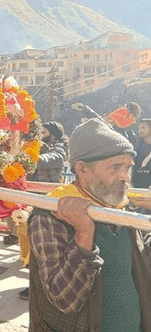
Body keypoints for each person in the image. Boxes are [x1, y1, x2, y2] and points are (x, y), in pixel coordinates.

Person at [28, 118, 151, 331]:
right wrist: (84, 234)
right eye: (115, 167)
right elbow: (64, 299)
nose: (125, 176)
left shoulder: (120, 206)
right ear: (82, 169)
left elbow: (142, 258)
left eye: (128, 167)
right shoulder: (49, 216)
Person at [18, 121, 68, 301]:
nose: (41, 134)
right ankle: (35, 285)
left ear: (53, 134)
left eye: (44, 131)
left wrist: (31, 155)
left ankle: (39, 287)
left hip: (50, 203)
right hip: (36, 201)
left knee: (44, 247)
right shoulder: (37, 145)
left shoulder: (59, 148)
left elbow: (49, 160)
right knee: (34, 243)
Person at [132, 119, 151, 189]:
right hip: (135, 187)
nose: (140, 130)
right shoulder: (135, 144)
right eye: (139, 128)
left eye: (143, 128)